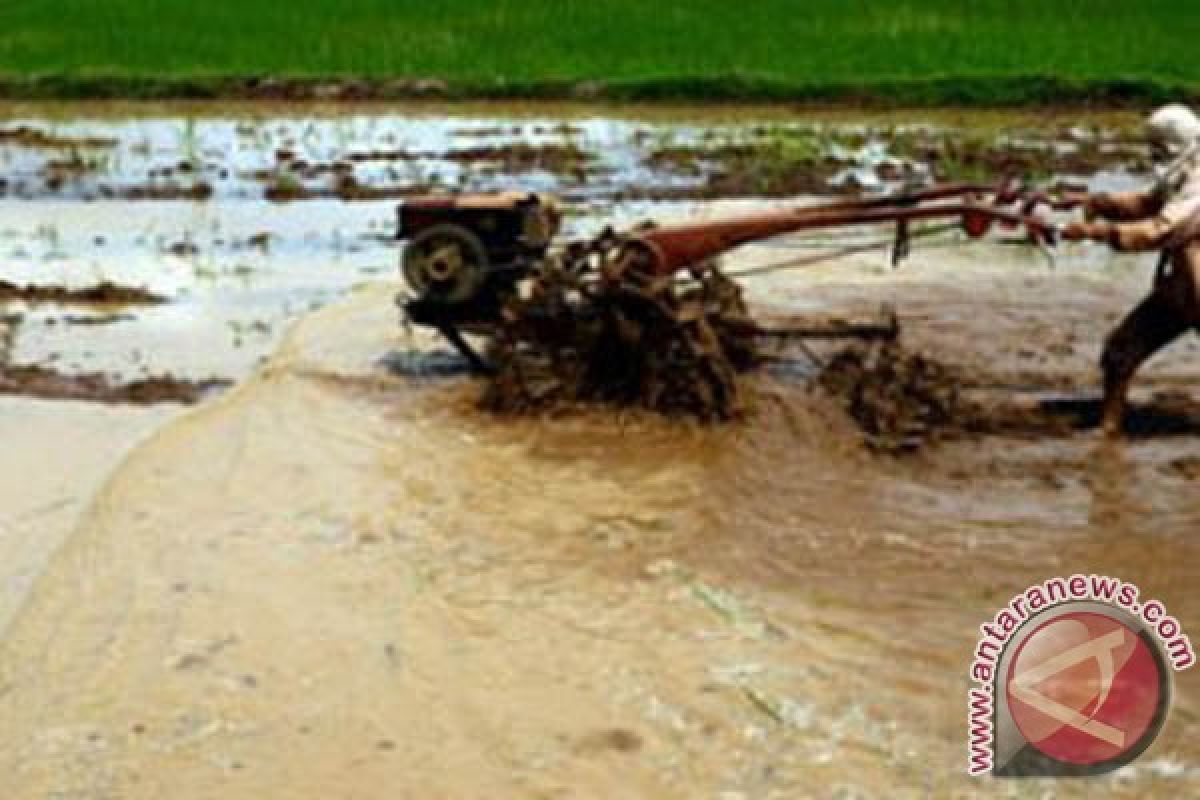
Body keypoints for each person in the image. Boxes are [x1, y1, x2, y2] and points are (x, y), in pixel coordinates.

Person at [1062, 104, 1200, 436]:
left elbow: (1160, 231)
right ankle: (1110, 425)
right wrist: (1099, 203)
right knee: (1122, 349)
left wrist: (1096, 233)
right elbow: (1147, 204)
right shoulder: (1183, 173)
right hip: (1181, 288)